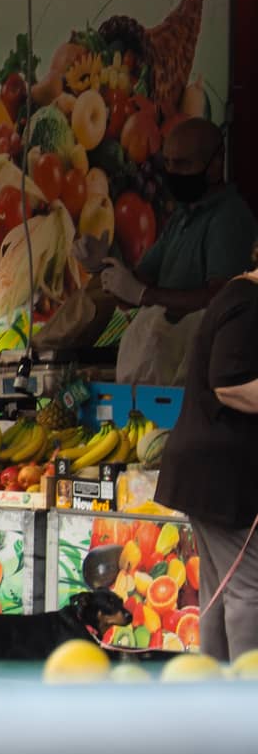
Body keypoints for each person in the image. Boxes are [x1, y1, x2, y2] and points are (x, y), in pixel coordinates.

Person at [153, 242, 258, 660]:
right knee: (249, 587)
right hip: (220, 477)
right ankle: (246, 697)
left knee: (222, 587)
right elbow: (229, 382)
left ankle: (214, 690)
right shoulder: (249, 303)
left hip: (211, 474)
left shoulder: (240, 298)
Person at [101, 119, 258, 317]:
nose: (172, 173)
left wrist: (146, 295)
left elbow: (222, 299)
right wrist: (102, 267)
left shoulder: (229, 217)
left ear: (215, 163)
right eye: (167, 163)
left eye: (182, 164)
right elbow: (135, 288)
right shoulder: (181, 215)